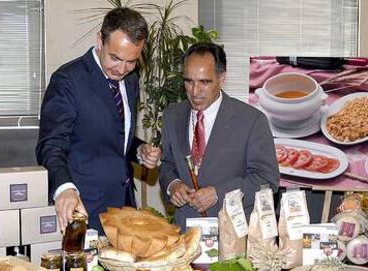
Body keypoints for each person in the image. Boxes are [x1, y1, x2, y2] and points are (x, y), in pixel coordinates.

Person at [36, 7, 161, 234]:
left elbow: (114, 133)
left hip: (123, 206)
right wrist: (64, 188)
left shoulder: (131, 80)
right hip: (83, 207)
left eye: (131, 61)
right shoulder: (68, 81)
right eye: (115, 58)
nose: (122, 69)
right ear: (100, 40)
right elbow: (51, 145)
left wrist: (139, 150)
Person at [159, 42, 279, 231]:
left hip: (233, 235)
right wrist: (173, 185)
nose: (195, 91)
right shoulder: (172, 116)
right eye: (188, 81)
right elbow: (167, 164)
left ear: (222, 78)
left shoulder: (252, 120)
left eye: (204, 82)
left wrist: (219, 193)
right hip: (185, 234)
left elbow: (267, 180)